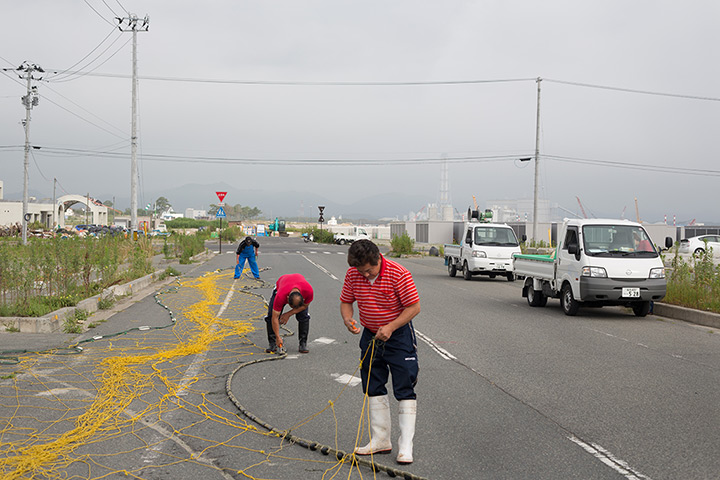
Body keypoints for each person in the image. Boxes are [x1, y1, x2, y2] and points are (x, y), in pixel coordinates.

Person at [340, 239, 421, 465]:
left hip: (399, 335)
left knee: (404, 385)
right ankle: (380, 440)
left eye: (369, 270)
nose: (365, 275)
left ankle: (406, 446)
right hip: (370, 335)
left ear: (378, 259)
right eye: (360, 271)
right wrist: (348, 320)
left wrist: (391, 327)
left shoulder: (399, 273)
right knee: (372, 383)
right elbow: (346, 301)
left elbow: (414, 307)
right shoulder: (353, 274)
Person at [265, 273, 314, 354]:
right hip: (282, 283)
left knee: (304, 316)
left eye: (296, 308)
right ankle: (272, 343)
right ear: (287, 299)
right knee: (270, 316)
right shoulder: (280, 296)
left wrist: (288, 314)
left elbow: (304, 306)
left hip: (298, 282)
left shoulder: (308, 291)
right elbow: (275, 317)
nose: (294, 309)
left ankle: (303, 343)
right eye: (292, 307)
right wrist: (278, 336)